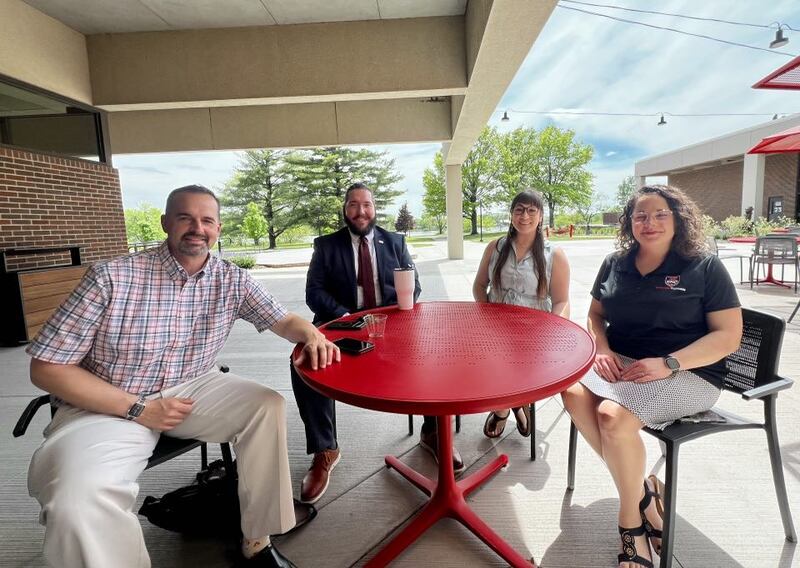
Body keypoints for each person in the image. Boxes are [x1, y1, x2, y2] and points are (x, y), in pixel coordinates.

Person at [25, 185, 339, 568]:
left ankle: (257, 540)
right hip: (108, 399)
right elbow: (47, 367)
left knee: (266, 405)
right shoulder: (111, 277)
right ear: (164, 223)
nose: (197, 228)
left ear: (218, 229)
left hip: (193, 384)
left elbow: (281, 319)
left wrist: (310, 332)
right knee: (77, 500)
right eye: (185, 217)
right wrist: (139, 409)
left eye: (207, 220)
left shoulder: (231, 279)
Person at [561, 184, 742, 568]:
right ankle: (644, 491)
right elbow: (595, 316)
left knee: (612, 417)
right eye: (640, 215)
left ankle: (631, 524)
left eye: (661, 214)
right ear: (629, 223)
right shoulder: (615, 263)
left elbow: (728, 336)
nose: (650, 222)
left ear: (678, 219)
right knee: (574, 392)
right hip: (627, 363)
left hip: (691, 372)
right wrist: (604, 348)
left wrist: (670, 362)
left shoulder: (703, 266)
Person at [291, 182, 464, 505]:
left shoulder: (395, 242)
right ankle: (325, 449)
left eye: (366, 205)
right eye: (353, 205)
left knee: (432, 354)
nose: (361, 211)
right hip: (340, 323)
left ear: (375, 208)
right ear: (345, 209)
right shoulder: (326, 246)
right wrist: (346, 315)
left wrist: (392, 311)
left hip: (391, 322)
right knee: (303, 361)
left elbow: (414, 286)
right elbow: (314, 293)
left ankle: (434, 435)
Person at [472, 190, 571, 438]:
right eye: (519, 210)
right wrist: (487, 315)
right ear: (511, 215)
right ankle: (511, 406)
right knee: (485, 367)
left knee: (512, 369)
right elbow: (478, 285)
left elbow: (561, 300)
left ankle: (504, 408)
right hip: (496, 330)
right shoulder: (495, 247)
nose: (524, 216)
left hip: (533, 334)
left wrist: (552, 331)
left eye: (531, 210)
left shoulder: (554, 254)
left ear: (540, 217)